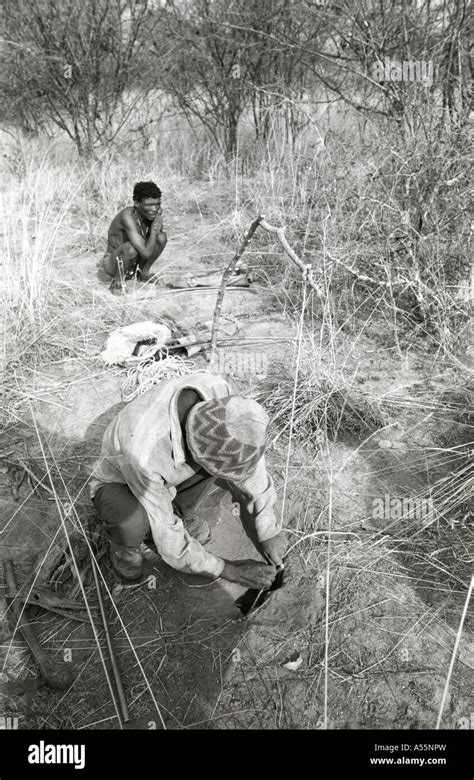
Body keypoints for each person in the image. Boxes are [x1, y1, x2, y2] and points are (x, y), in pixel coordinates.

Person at [89, 371, 287, 589]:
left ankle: (181, 512)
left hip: (169, 469)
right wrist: (231, 570)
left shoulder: (220, 394)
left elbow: (248, 457)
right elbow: (171, 545)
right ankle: (124, 551)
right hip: (120, 482)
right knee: (131, 522)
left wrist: (268, 529)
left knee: (223, 463)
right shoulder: (144, 455)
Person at [102, 181, 167, 294]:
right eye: (148, 205)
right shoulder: (127, 216)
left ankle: (143, 273)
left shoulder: (153, 213)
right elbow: (146, 253)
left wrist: (155, 229)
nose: (154, 209)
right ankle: (117, 282)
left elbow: (150, 243)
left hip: (136, 258)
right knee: (131, 248)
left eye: (157, 204)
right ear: (137, 203)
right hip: (114, 263)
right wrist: (154, 229)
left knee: (161, 238)